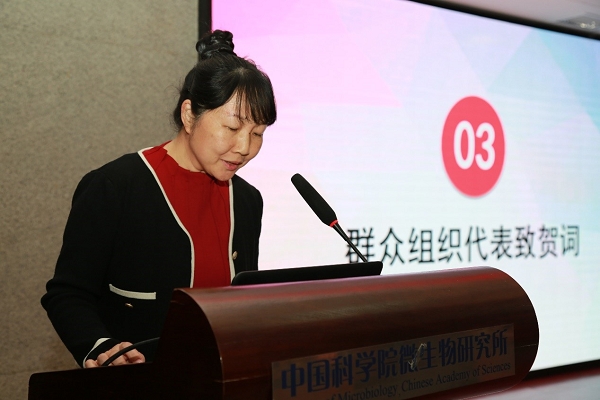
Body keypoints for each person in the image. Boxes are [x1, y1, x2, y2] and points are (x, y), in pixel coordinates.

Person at [41, 30, 277, 368]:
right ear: (189, 115)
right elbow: (67, 294)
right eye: (232, 128)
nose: (244, 148)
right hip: (139, 381)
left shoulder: (247, 200)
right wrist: (99, 347)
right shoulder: (116, 186)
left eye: (257, 134)